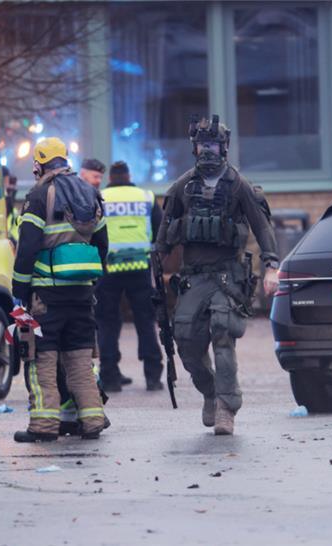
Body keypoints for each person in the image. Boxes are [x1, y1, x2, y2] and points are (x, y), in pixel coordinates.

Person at [155, 115, 279, 435]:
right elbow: (164, 235)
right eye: (202, 146)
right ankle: (210, 392)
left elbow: (262, 227)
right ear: (194, 149)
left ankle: (226, 406)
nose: (207, 151)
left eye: (213, 145)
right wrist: (154, 267)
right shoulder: (183, 187)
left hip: (227, 276)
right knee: (186, 342)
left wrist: (271, 266)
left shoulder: (239, 186)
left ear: (224, 148)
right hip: (193, 277)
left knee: (223, 336)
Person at [12, 137, 108, 443]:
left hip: (46, 296)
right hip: (82, 294)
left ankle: (43, 426)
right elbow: (102, 244)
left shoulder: (39, 195)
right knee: (80, 361)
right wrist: (91, 283)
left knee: (41, 361)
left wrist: (19, 290)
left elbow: (27, 247)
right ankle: (92, 421)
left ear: (39, 165)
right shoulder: (90, 192)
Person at [95, 160, 164, 392]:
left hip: (108, 269)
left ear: (110, 179)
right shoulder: (145, 197)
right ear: (129, 176)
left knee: (107, 322)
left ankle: (110, 376)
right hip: (139, 266)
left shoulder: (100, 198)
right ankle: (153, 376)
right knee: (145, 321)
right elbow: (160, 230)